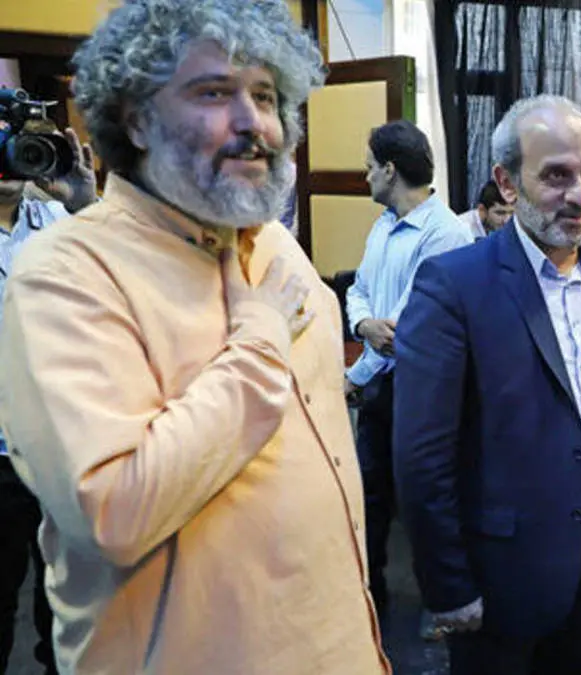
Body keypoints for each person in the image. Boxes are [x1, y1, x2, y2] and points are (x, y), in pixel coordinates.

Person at [0, 1, 390, 673]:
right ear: (135, 119)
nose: (253, 123)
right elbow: (113, 511)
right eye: (214, 93)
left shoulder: (277, 249)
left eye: (264, 95)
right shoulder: (64, 272)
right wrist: (260, 340)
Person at [393, 94, 581, 675]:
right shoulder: (454, 285)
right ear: (507, 182)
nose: (580, 195)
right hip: (499, 577)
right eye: (556, 176)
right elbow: (422, 457)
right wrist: (448, 586)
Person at [344, 119, 473, 615]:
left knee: (424, 504)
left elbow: (404, 329)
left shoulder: (446, 234)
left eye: (369, 167)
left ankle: (441, 604)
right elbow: (359, 291)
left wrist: (352, 377)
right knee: (370, 497)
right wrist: (362, 325)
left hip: (419, 392)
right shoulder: (383, 224)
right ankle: (369, 599)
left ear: (390, 170)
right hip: (380, 385)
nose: (365, 177)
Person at [0, 133, 96, 675]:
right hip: (0, 454)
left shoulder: (61, 221)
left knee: (68, 606)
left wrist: (86, 203)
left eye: (16, 140)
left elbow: (126, 276)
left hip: (63, 450)